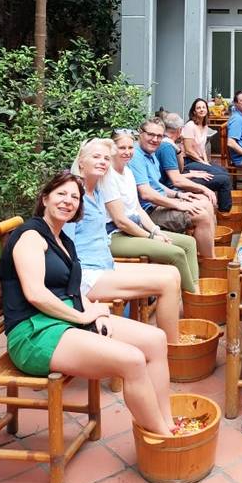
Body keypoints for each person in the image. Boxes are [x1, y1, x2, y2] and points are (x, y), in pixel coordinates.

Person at [0, 171, 175, 435]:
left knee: (156, 340)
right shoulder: (31, 237)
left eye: (75, 197)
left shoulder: (64, 240)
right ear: (45, 198)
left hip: (64, 319)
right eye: (61, 194)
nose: (68, 201)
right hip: (33, 333)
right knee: (133, 360)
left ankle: (169, 421)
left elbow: (73, 289)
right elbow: (35, 293)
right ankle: (163, 436)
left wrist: (94, 311)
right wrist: (81, 317)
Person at [67, 138, 181, 341]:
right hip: (86, 274)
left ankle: (170, 343)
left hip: (104, 264)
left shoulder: (97, 190)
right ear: (81, 161)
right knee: (166, 282)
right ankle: (174, 349)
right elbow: (62, 243)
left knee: (172, 273)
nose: (103, 161)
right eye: (96, 157)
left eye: (106, 158)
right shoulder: (72, 194)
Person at [104, 130, 200, 293]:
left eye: (130, 147)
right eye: (122, 148)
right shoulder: (108, 177)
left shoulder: (127, 172)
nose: (127, 152)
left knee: (189, 243)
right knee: (176, 253)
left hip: (133, 230)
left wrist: (156, 230)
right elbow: (121, 221)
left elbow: (138, 209)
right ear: (112, 149)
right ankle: (195, 300)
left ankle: (194, 293)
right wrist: (151, 237)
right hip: (115, 235)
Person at [131, 118, 215, 257]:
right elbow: (146, 194)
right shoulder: (135, 156)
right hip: (148, 211)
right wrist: (177, 204)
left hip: (161, 203)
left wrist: (179, 196)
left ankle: (206, 251)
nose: (155, 139)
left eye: (159, 136)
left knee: (205, 202)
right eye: (150, 134)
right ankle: (210, 264)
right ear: (140, 133)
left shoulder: (151, 154)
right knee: (201, 216)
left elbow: (158, 187)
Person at [156, 112, 221, 212]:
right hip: (169, 188)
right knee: (220, 183)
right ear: (180, 130)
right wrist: (203, 188)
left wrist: (191, 172)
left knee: (220, 174)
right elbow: (175, 179)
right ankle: (225, 215)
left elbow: (177, 173)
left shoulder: (169, 144)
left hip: (172, 182)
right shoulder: (167, 147)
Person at [181, 98, 233, 212]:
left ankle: (222, 206)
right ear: (194, 111)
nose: (201, 110)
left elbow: (202, 148)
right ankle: (224, 210)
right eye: (198, 108)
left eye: (203, 107)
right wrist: (203, 163)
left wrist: (206, 162)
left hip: (199, 160)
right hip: (189, 162)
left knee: (224, 171)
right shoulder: (190, 125)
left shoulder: (204, 125)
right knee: (223, 177)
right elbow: (189, 150)